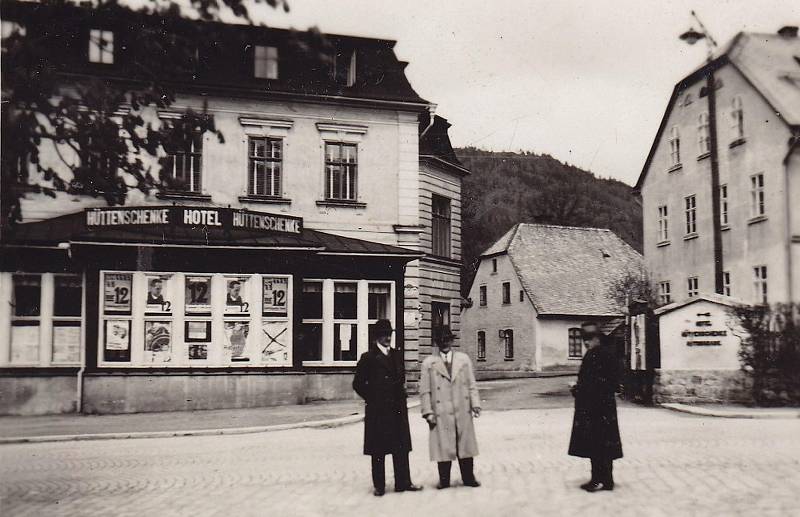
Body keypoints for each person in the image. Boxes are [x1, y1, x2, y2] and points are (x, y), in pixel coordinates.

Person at [352, 319, 422, 497]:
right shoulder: (368, 357)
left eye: (389, 334)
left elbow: (401, 377)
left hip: (397, 408)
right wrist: (373, 398)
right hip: (379, 410)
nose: (387, 337)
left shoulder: (397, 355)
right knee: (378, 449)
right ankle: (379, 486)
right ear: (376, 337)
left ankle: (403, 482)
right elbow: (358, 384)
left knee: (401, 447)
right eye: (384, 334)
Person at [419, 327, 482, 489]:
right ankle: (444, 479)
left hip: (462, 408)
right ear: (436, 343)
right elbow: (425, 390)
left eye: (447, 339)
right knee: (443, 446)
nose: (445, 343)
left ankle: (468, 477)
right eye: (441, 340)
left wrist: (475, 404)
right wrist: (427, 412)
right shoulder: (429, 364)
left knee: (465, 445)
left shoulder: (463, 360)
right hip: (441, 412)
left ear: (452, 341)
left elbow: (471, 384)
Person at [568, 320, 623, 492]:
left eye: (590, 338)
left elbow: (592, 385)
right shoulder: (607, 354)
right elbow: (615, 383)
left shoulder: (594, 356)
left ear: (598, 338)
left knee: (596, 444)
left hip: (594, 409)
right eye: (585, 338)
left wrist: (576, 389)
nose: (586, 342)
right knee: (604, 444)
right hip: (605, 407)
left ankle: (598, 480)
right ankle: (607, 480)